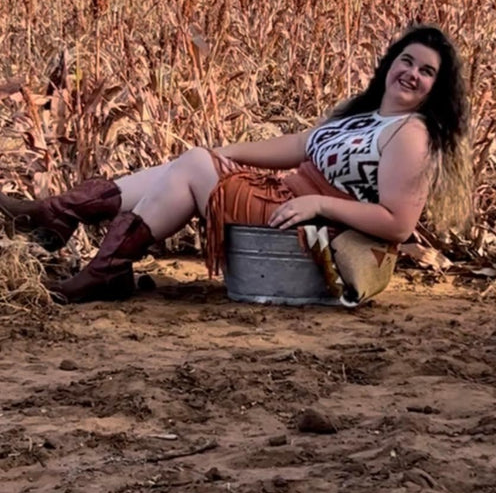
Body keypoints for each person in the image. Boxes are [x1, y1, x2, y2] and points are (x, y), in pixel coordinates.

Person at [0, 24, 471, 304]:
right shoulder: (363, 116)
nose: (412, 73)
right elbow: (299, 145)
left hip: (308, 230)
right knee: (194, 162)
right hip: (287, 201)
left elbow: (397, 223)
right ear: (390, 63)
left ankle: (84, 246)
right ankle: (72, 227)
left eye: (426, 71)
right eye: (407, 60)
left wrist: (320, 205)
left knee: (192, 166)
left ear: (437, 88)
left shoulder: (412, 134)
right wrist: (226, 153)